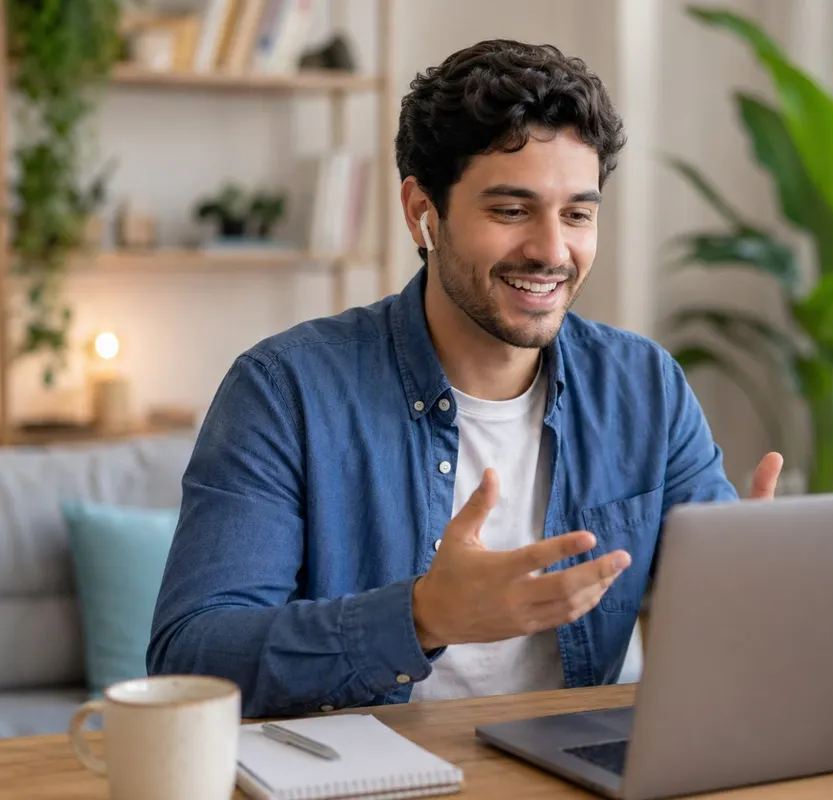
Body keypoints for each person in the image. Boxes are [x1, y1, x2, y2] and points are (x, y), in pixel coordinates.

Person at [147, 38, 784, 719]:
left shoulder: (644, 388)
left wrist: (753, 581)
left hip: (573, 770)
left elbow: (717, 622)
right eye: (510, 211)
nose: (550, 250)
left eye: (578, 214)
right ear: (423, 210)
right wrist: (420, 616)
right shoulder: (283, 391)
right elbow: (192, 655)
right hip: (366, 778)